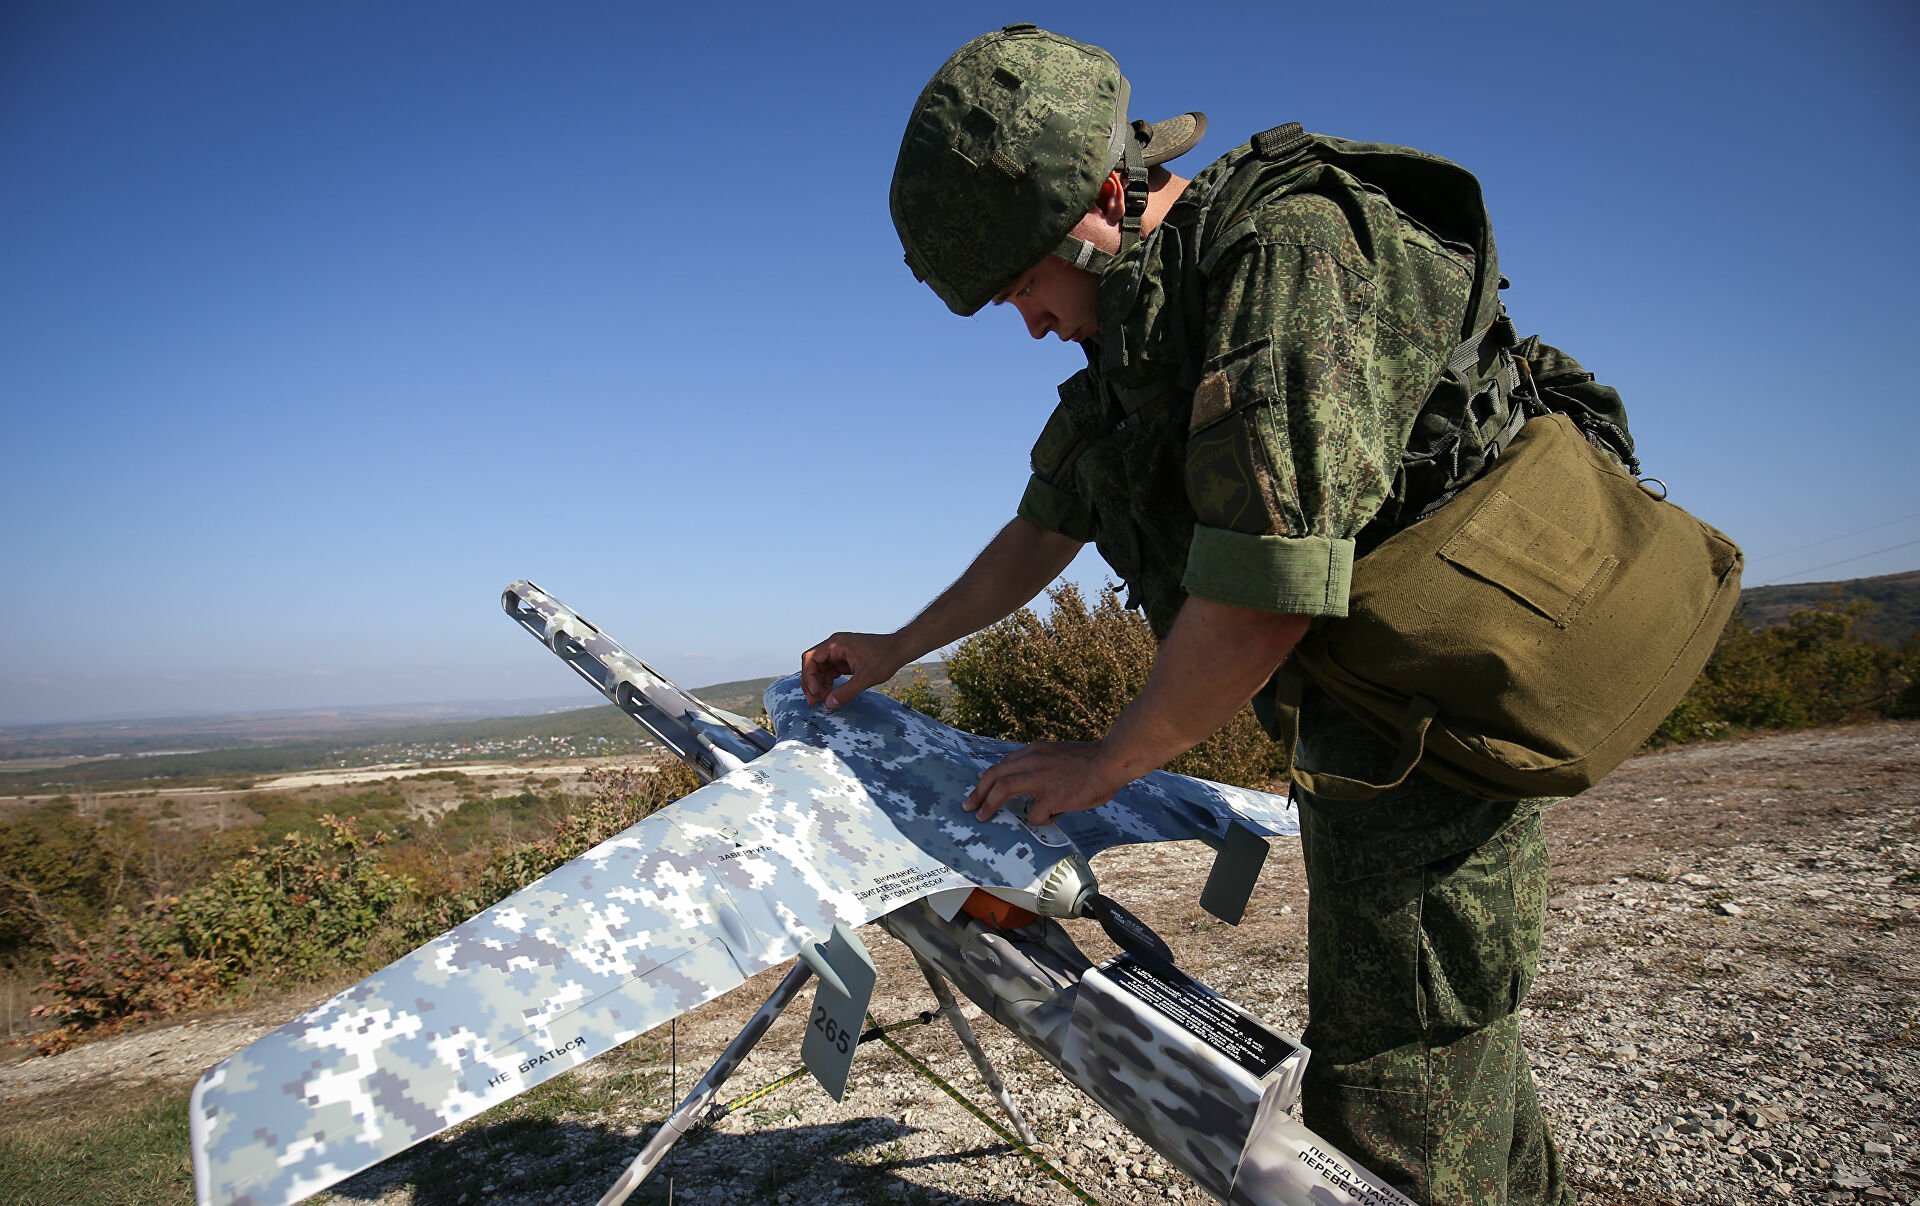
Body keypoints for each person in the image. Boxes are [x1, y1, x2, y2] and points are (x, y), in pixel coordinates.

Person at [801, 24, 1624, 1205]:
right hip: (1368, 739)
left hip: (1436, 741)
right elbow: (1047, 523)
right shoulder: (1146, 325)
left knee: (1396, 1108)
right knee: (1451, 1075)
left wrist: (1110, 759)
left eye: (1025, 285)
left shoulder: (1288, 257)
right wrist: (895, 647)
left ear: (1098, 201)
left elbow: (1264, 593)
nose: (1029, 323)